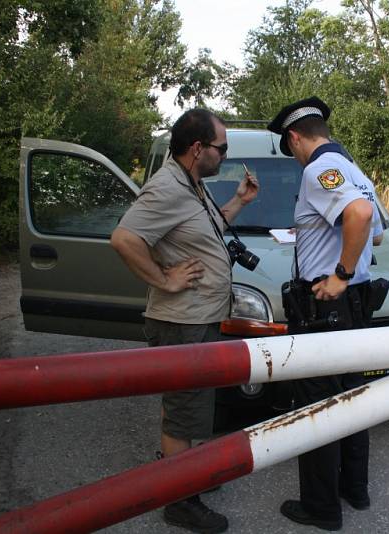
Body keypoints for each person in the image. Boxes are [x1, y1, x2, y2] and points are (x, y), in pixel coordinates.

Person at [111, 108, 258, 534]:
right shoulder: (166, 188)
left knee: (187, 406)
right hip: (182, 321)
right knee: (182, 412)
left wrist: (239, 202)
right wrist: (164, 279)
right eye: (221, 148)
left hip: (198, 318)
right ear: (198, 149)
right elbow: (124, 239)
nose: (225, 156)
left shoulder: (192, 184)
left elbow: (206, 232)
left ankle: (181, 474)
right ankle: (180, 500)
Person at [267, 96, 386, 531]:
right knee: (352, 397)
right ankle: (354, 489)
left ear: (295, 138)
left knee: (317, 404)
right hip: (354, 307)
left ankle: (320, 507)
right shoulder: (355, 171)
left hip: (326, 305)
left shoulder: (319, 169)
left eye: (291, 149)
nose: (295, 158)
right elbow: (372, 235)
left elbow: (358, 214)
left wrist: (338, 273)